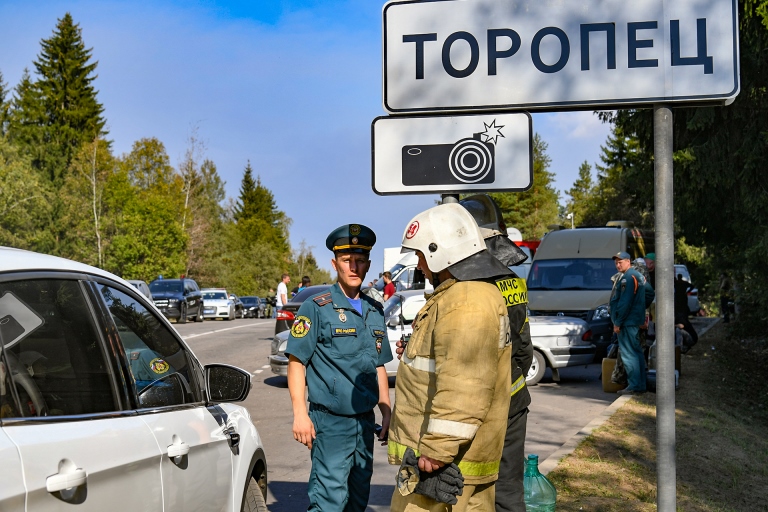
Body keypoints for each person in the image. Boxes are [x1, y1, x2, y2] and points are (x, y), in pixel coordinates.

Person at [388, 203, 512, 511]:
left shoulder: (466, 301)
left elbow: (465, 383)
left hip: (442, 468)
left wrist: (437, 450)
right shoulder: (460, 295)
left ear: (438, 251)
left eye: (420, 255)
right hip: (451, 463)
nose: (419, 265)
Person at [285, 224, 392, 512]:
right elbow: (297, 362)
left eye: (359, 261)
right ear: (335, 264)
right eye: (347, 261)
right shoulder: (316, 308)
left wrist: (386, 410)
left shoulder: (374, 310)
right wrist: (299, 414)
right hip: (330, 424)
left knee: (358, 501)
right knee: (329, 502)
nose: (353, 267)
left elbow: (378, 364)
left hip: (364, 423)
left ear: (368, 264)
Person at [610, 252, 649, 396]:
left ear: (628, 261)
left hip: (626, 322)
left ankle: (634, 386)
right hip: (633, 320)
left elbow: (624, 302)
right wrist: (640, 312)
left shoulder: (627, 278)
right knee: (637, 352)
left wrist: (618, 322)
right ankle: (640, 384)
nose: (618, 265)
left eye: (620, 262)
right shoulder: (638, 276)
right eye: (616, 262)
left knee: (628, 354)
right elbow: (649, 294)